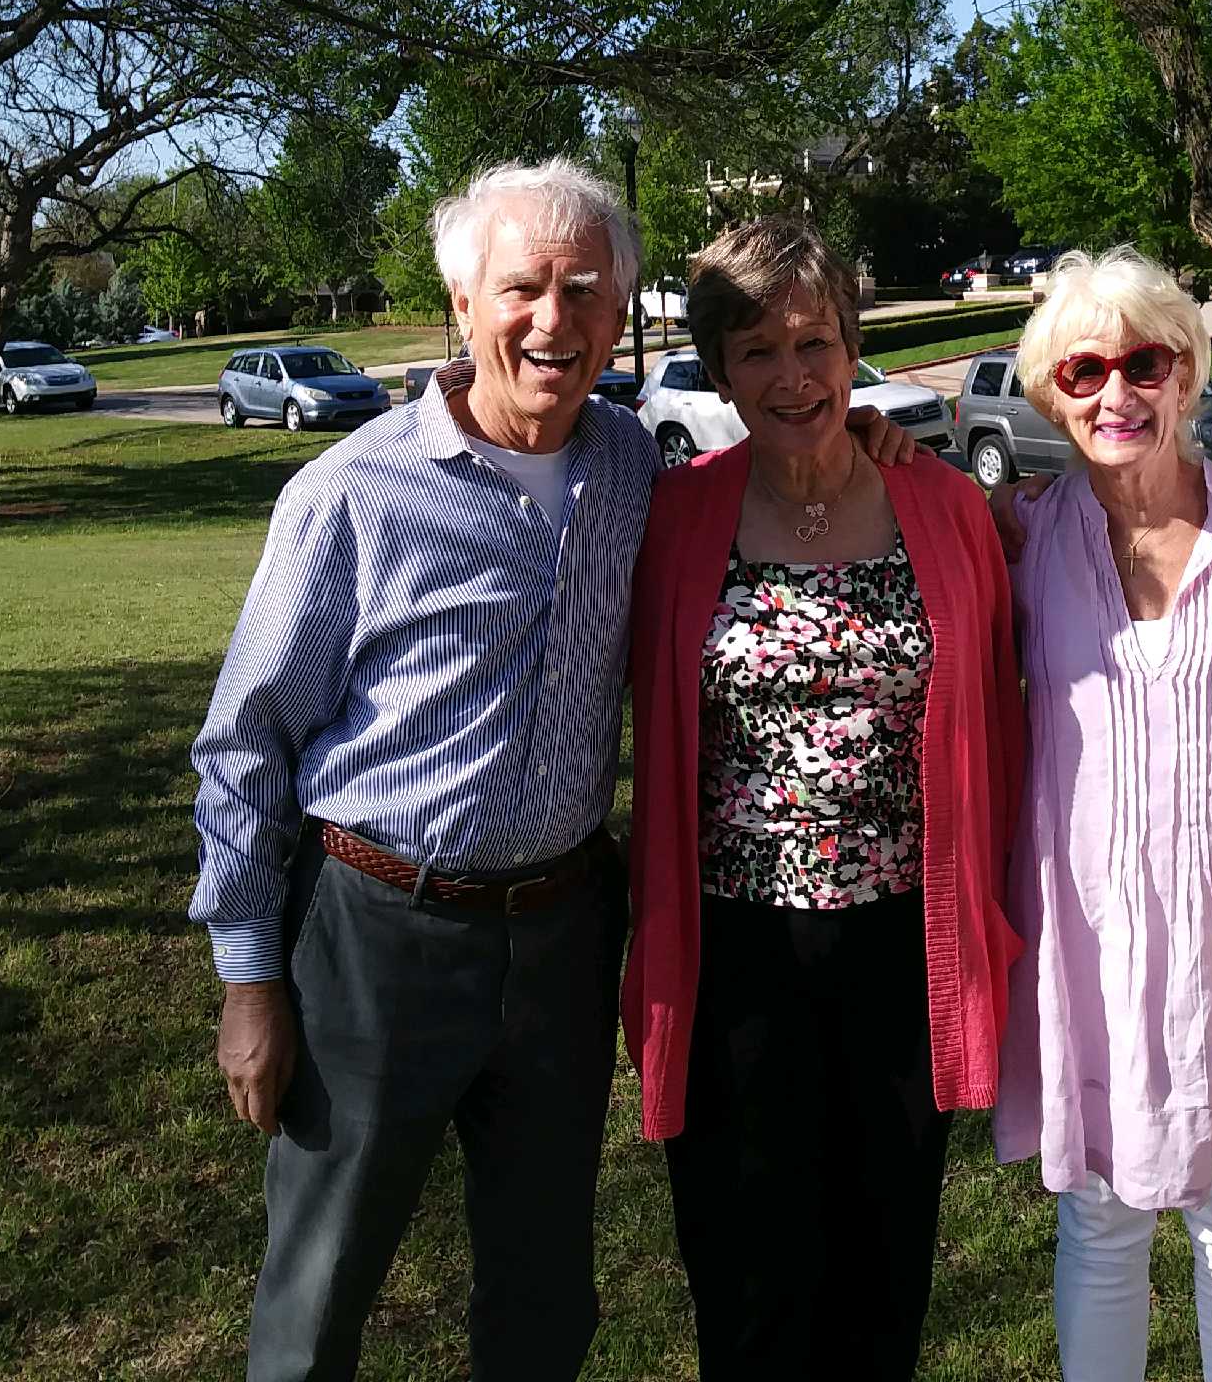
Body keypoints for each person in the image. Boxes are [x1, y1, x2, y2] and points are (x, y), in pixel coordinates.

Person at [188, 162, 914, 1381]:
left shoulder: (633, 473)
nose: (553, 319)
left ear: (619, 315)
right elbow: (245, 744)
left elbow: (787, 473)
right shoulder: (351, 494)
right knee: (318, 1294)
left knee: (541, 1299)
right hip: (377, 933)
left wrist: (879, 438)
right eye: (522, 286)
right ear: (462, 302)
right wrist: (248, 977)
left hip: (564, 939)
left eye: (585, 290)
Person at [623, 216, 1024, 1381]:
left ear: (853, 352)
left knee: (882, 1255)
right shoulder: (676, 514)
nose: (790, 376)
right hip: (731, 946)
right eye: (755, 350)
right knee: (746, 1264)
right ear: (719, 369)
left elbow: (1015, 680)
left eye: (815, 343)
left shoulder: (944, 508)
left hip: (906, 939)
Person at [994, 247, 1212, 1382]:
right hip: (1089, 943)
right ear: (1047, 394)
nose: (1115, 393)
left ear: (1188, 371)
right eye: (1082, 371)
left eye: (1145, 362)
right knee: (1101, 1222)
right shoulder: (1023, 539)